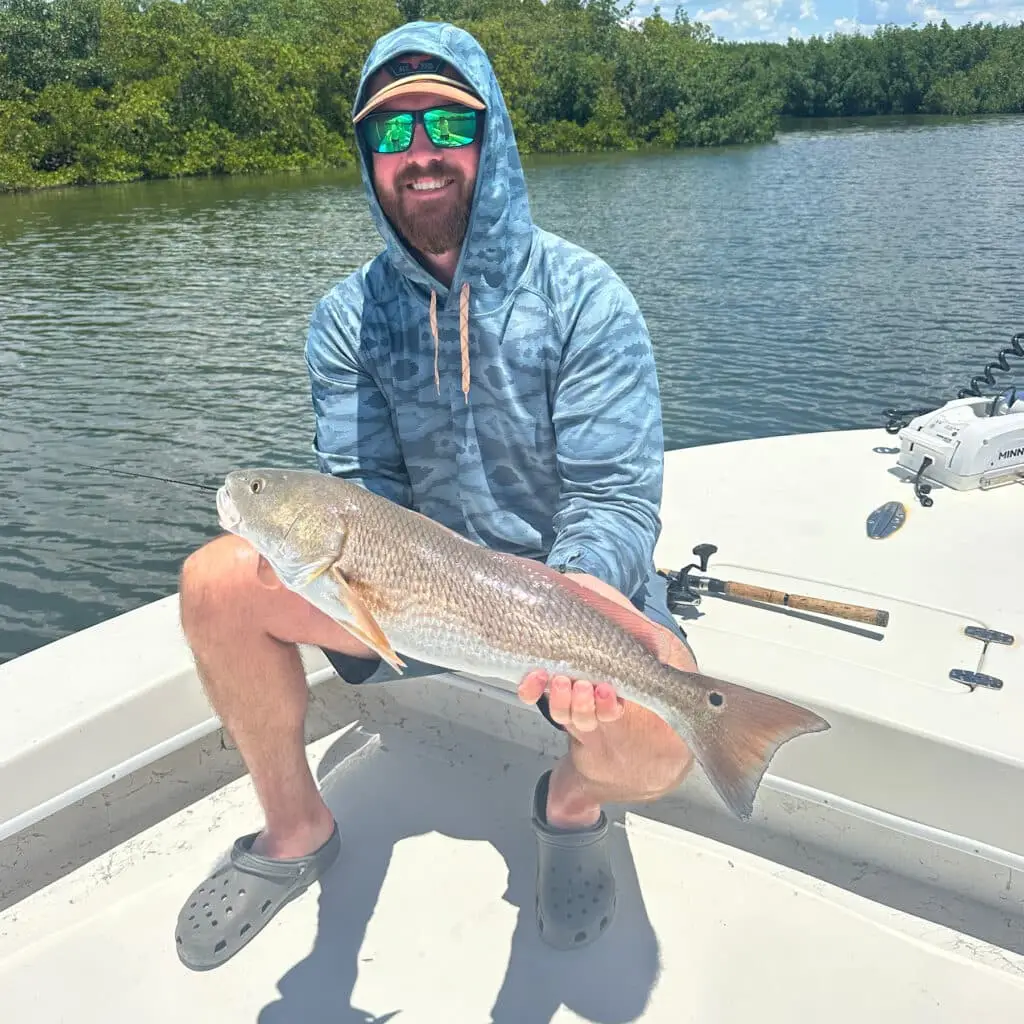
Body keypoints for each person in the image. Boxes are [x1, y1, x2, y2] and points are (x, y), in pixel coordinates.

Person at [173, 20, 698, 971]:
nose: (421, 155)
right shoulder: (346, 319)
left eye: (448, 130)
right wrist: (354, 581)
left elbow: (615, 497)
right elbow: (360, 493)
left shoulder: (586, 298)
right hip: (393, 596)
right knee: (215, 582)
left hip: (554, 606)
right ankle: (294, 828)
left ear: (489, 135)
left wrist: (576, 599)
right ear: (368, 157)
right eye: (393, 134)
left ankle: (570, 806)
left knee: (663, 745)